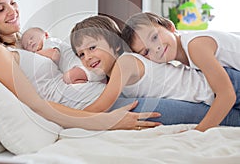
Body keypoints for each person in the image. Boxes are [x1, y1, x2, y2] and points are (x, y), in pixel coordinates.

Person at [0, 0, 240, 132]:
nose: (12, 11)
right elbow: (37, 105)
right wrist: (100, 121)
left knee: (211, 91)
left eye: (13, 2)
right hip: (119, 104)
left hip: (125, 88)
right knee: (223, 116)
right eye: (0, 7)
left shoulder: (31, 41)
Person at [70, 15, 240, 132]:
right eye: (81, 55)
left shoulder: (126, 63)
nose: (87, 57)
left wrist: (68, 118)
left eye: (92, 47)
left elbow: (101, 105)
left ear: (115, 44)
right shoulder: (125, 67)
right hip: (210, 96)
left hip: (224, 88)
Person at [121, 12, 240, 131]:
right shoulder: (186, 53)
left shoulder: (195, 46)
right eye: (146, 51)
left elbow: (227, 95)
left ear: (169, 26)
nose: (156, 48)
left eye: (155, 37)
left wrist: (198, 131)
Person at [21, 27, 106, 84]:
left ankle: (89, 79)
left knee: (66, 78)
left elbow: (54, 55)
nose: (29, 42)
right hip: (86, 70)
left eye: (31, 38)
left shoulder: (49, 42)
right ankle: (94, 81)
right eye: (26, 45)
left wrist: (34, 53)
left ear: (45, 35)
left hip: (83, 66)